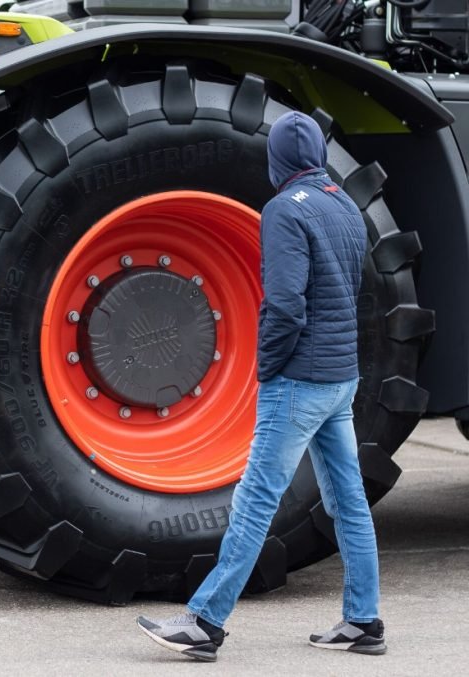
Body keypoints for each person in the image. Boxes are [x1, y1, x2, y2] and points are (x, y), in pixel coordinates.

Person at [136, 111, 384, 661]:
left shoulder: (284, 210)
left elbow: (287, 304)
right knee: (349, 500)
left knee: (254, 500)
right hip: (340, 378)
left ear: (278, 160)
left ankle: (205, 623)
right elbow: (348, 288)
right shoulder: (345, 205)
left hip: (298, 380)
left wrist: (268, 365)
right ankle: (363, 620)